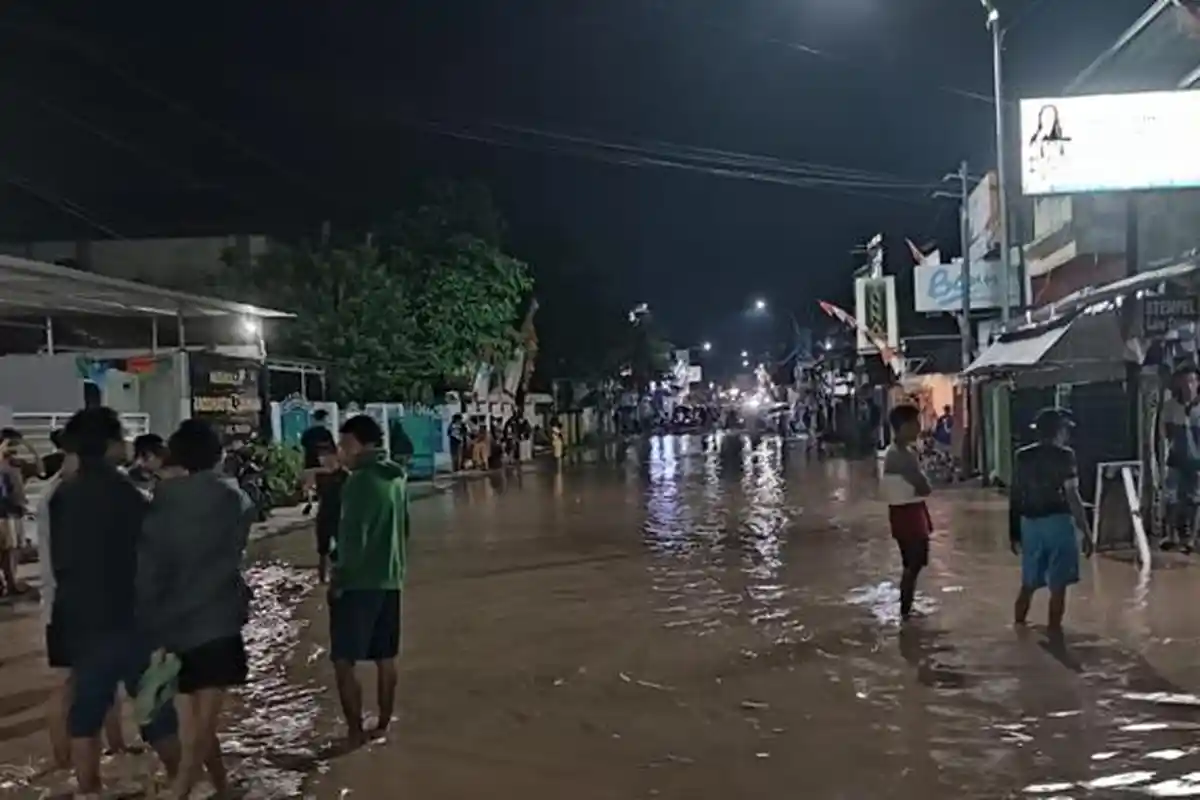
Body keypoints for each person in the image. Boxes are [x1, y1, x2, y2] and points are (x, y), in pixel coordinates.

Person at [50, 407, 180, 796]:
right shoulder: (130, 496)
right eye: (121, 436)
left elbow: (60, 564)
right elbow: (155, 558)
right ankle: (181, 782)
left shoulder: (63, 495)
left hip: (82, 621)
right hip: (132, 619)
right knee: (156, 711)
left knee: (86, 715)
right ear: (108, 444)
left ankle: (89, 789)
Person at [139, 418, 253, 798]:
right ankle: (183, 788)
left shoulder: (161, 502)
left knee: (198, 720)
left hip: (174, 624)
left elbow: (149, 571)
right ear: (217, 454)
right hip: (218, 621)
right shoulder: (234, 499)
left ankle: (221, 786)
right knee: (204, 722)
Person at [37, 437, 128, 770]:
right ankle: (64, 762)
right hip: (69, 606)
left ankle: (115, 747)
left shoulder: (67, 494)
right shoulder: (60, 498)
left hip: (82, 604)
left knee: (104, 678)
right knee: (72, 685)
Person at [330, 414, 408, 746]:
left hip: (358, 584)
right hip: (390, 580)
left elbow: (351, 539)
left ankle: (354, 731)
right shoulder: (396, 479)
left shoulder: (358, 482)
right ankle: (384, 723)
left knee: (343, 661)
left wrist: (338, 579)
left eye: (345, 443)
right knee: (385, 657)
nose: (340, 450)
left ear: (358, 444)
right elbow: (404, 529)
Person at [1010, 408, 1093, 633]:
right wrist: (1086, 531)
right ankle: (1055, 635)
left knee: (1028, 583)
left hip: (1030, 524)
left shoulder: (1022, 456)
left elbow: (1016, 495)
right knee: (1058, 587)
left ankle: (1019, 628)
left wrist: (1013, 532)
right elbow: (1073, 496)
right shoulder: (1066, 456)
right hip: (1058, 523)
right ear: (1060, 431)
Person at [881, 404, 933, 620]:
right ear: (902, 427)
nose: (919, 428)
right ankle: (905, 612)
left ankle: (907, 609)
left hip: (908, 511)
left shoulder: (901, 452)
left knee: (914, 562)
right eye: (915, 424)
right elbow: (923, 486)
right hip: (908, 514)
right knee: (914, 562)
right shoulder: (900, 455)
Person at [1161, 363, 1200, 552]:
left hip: (1197, 462)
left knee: (1194, 500)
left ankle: (1191, 538)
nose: (1188, 386)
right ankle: (1171, 534)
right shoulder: (1171, 406)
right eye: (1184, 382)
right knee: (1171, 498)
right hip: (1176, 459)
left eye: (1192, 381)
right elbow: (1167, 433)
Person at [304, 441, 347, 584]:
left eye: (326, 455)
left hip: (341, 515)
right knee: (323, 550)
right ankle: (323, 579)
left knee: (342, 549)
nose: (323, 459)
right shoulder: (319, 475)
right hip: (324, 515)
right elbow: (307, 480)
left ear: (334, 455)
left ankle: (340, 578)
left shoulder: (345, 474)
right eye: (320, 456)